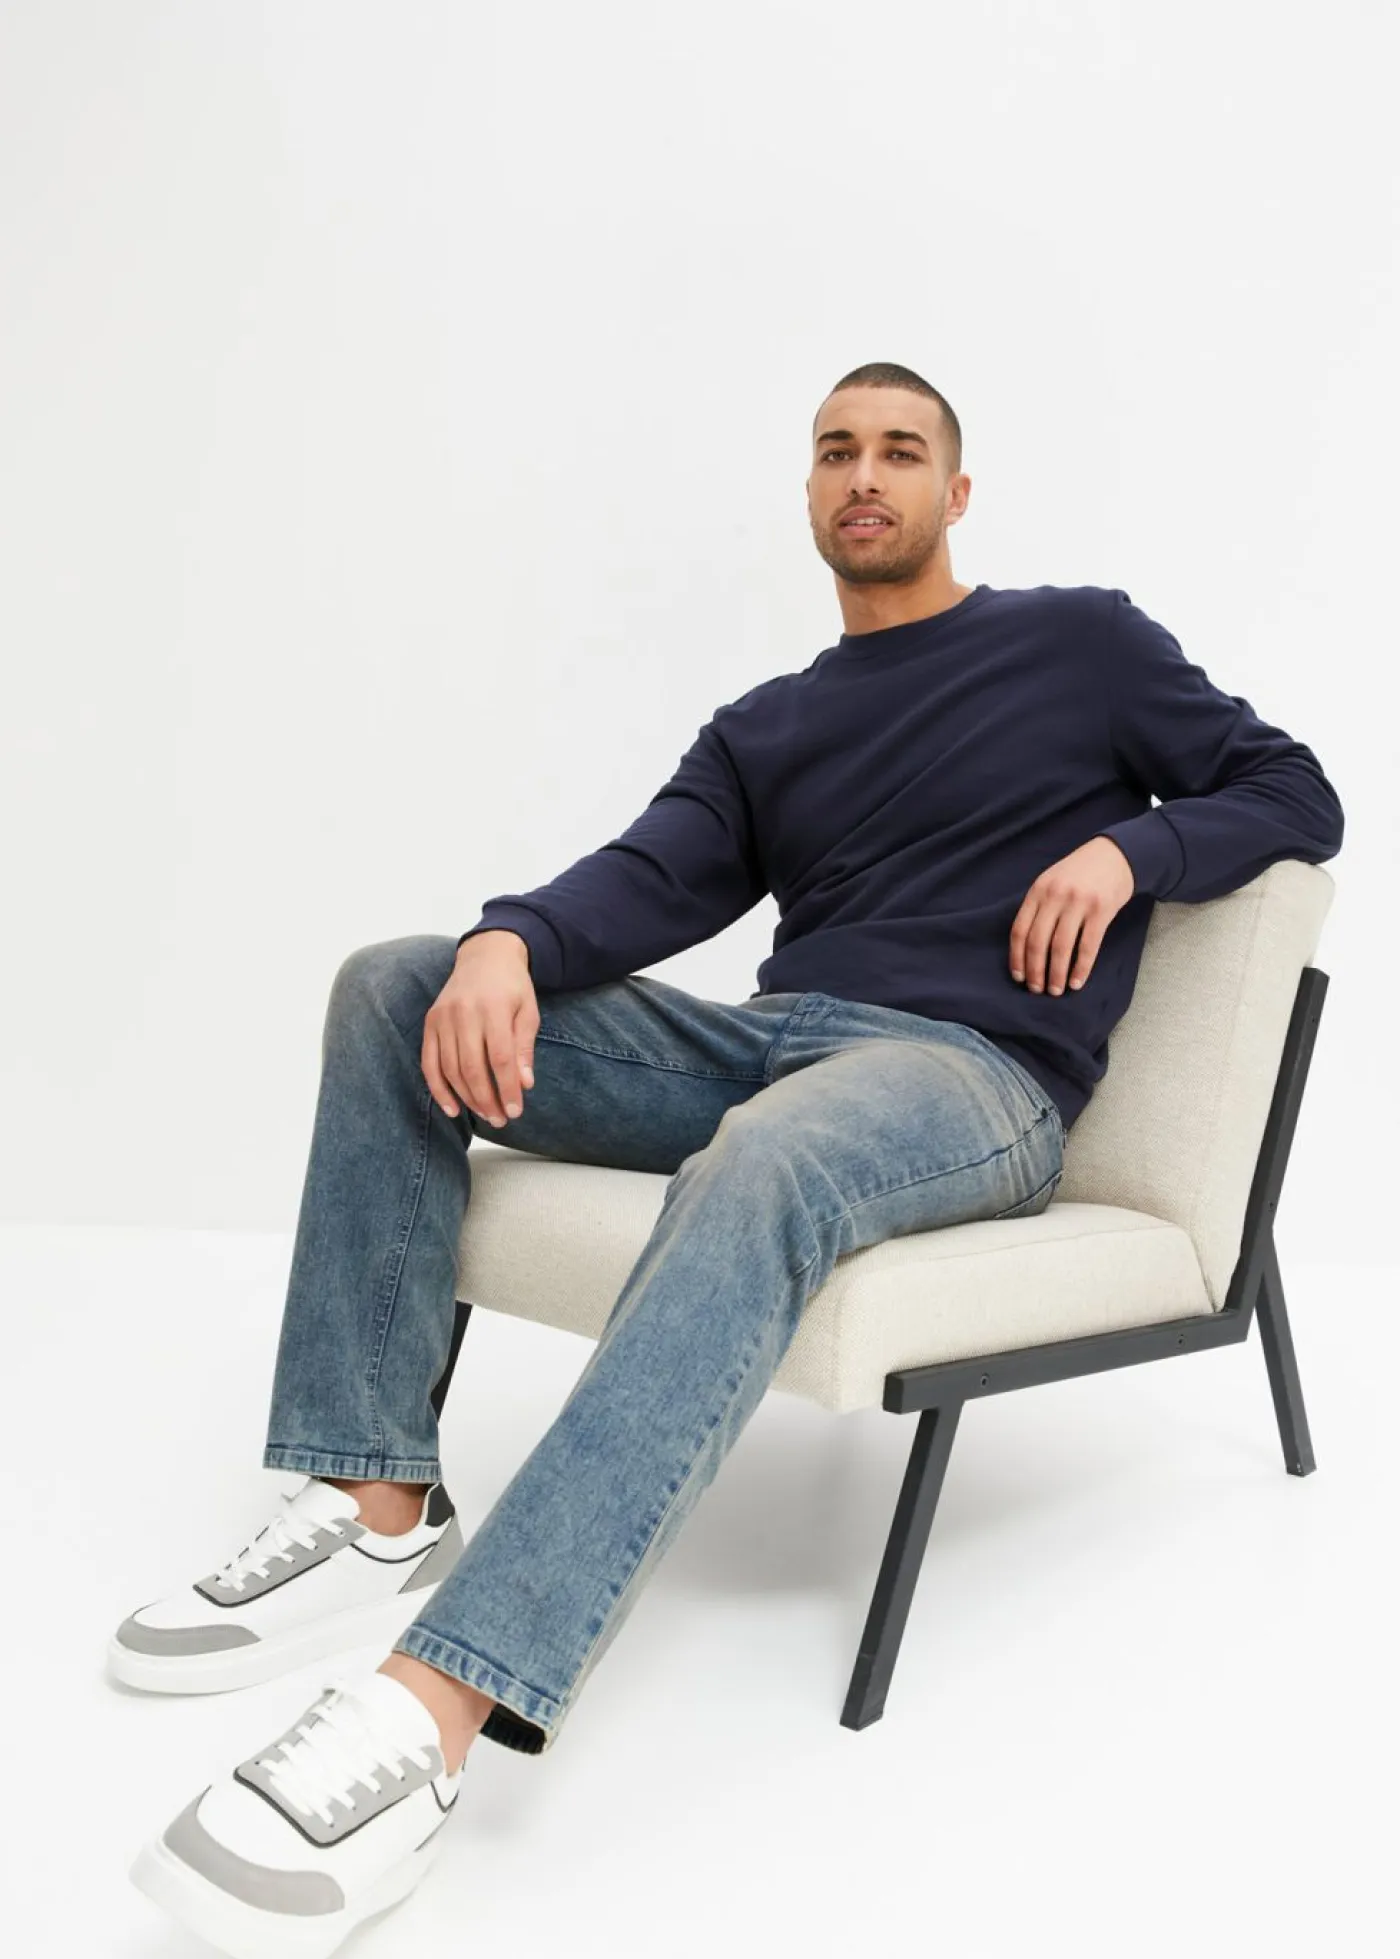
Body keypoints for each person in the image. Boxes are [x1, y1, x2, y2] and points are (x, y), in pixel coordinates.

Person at [117, 361, 1345, 1958]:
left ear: (956, 492)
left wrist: (1130, 847)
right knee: (395, 984)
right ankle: (375, 1494)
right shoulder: (770, 726)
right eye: (837, 450)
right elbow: (646, 877)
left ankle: (433, 1705)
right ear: (812, 491)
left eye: (900, 450)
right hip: (771, 1038)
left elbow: (1295, 787)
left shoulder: (1080, 644)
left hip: (966, 1075)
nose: (866, 474)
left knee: (764, 1158)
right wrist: (502, 940)